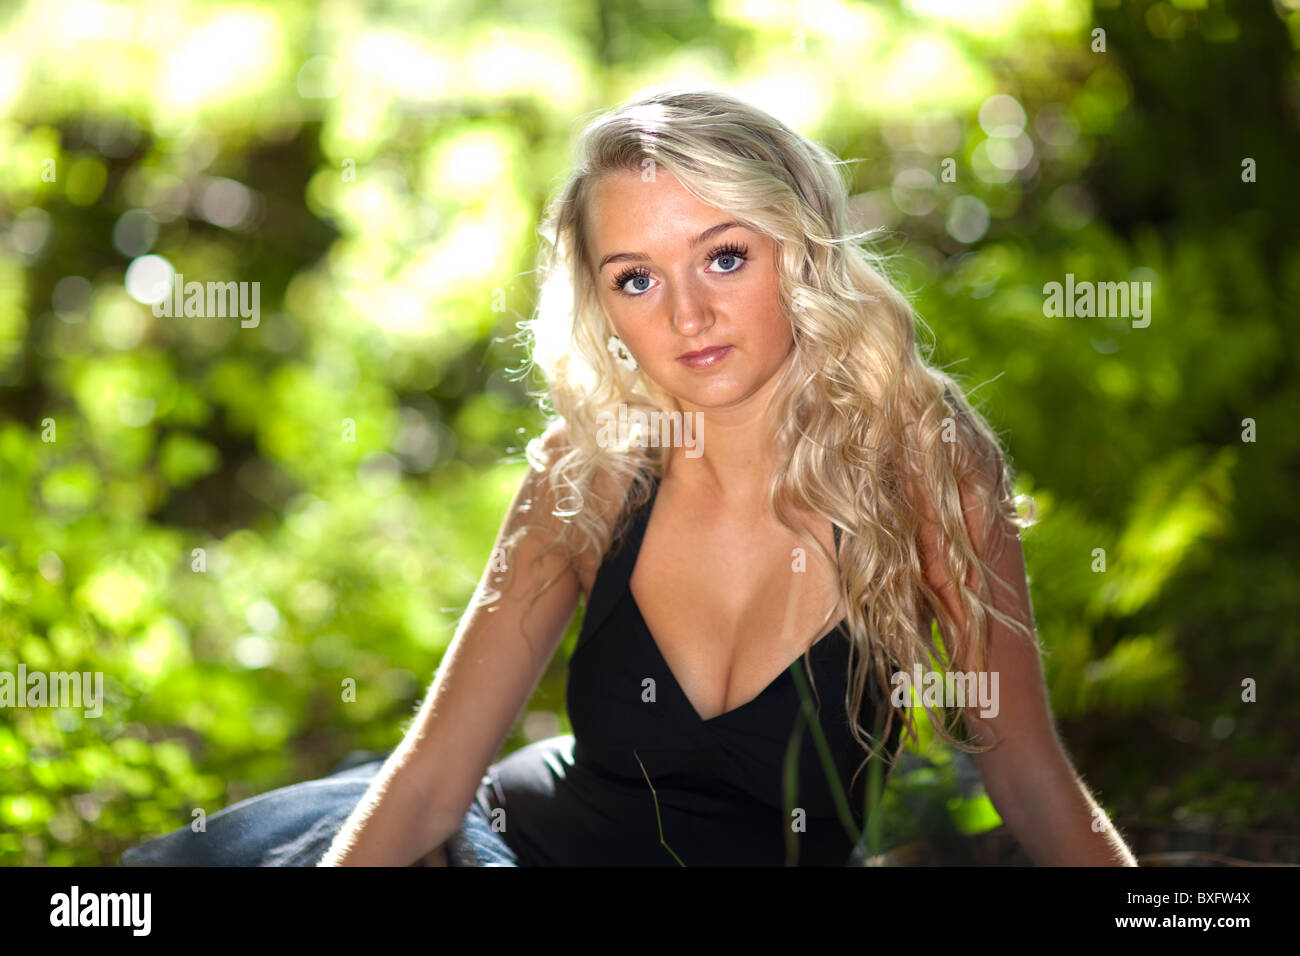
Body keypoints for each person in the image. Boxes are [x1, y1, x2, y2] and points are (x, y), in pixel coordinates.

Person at [123, 86, 1138, 868]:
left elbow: (1027, 770)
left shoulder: (924, 459)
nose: (686, 316)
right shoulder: (593, 472)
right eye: (637, 279)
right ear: (603, 307)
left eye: (725, 256)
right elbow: (434, 779)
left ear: (802, 250)